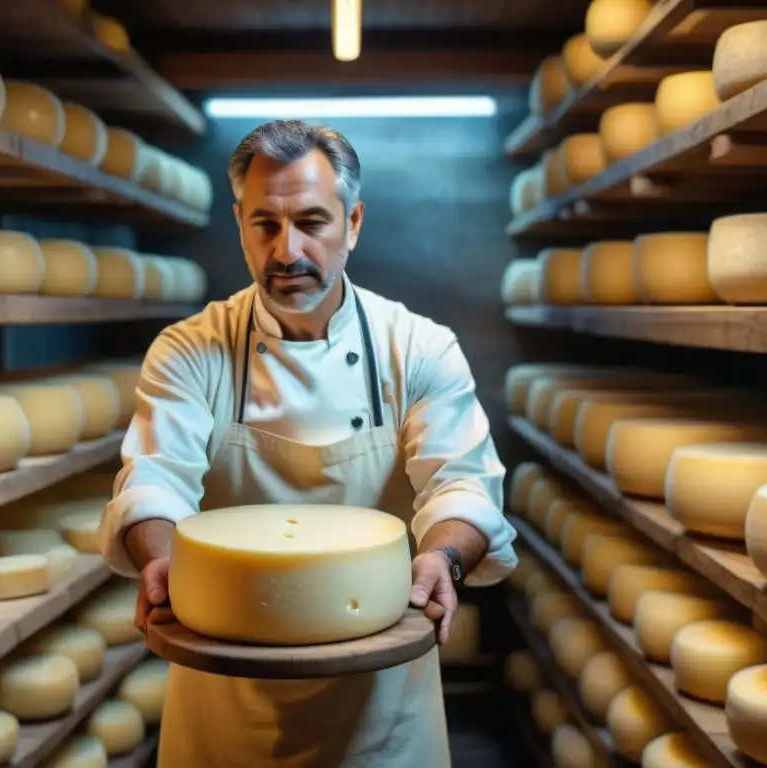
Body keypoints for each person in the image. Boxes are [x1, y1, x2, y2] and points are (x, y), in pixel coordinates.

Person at [99, 118, 518, 767]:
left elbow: (461, 482)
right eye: (264, 224)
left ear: (352, 222)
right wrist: (160, 560)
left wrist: (444, 559)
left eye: (312, 223)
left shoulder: (419, 348)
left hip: (379, 700)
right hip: (226, 697)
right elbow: (155, 479)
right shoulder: (190, 351)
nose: (286, 250)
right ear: (239, 223)